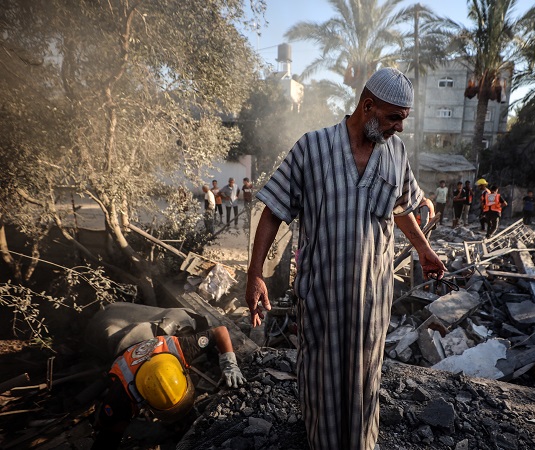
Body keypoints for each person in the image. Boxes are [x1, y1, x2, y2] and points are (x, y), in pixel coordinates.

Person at [245, 67, 445, 450]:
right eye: (394, 118)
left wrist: (423, 249)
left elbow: (401, 208)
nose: (399, 128)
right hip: (321, 297)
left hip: (372, 302)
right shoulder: (312, 148)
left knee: (365, 381)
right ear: (367, 106)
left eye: (404, 119)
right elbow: (272, 210)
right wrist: (255, 274)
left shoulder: (396, 153)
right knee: (321, 380)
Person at [91, 325, 245, 450]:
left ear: (182, 371)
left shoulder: (179, 349)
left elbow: (220, 331)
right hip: (124, 357)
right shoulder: (122, 394)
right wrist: (143, 432)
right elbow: (109, 430)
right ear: (145, 401)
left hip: (154, 353)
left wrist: (229, 365)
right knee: (111, 429)